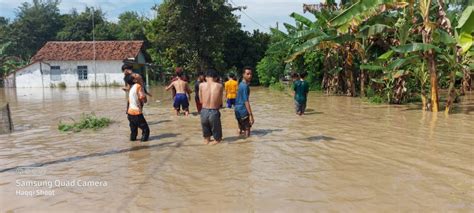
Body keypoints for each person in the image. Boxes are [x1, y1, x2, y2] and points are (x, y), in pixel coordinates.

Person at [199, 69, 224, 145]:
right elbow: (220, 102)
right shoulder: (219, 86)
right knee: (217, 140)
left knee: (206, 139)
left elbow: (200, 101)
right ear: (216, 78)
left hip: (204, 112)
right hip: (214, 112)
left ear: (206, 77)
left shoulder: (201, 85)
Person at [127, 74, 150, 142]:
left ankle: (133, 144)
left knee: (133, 132)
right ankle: (144, 146)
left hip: (130, 113)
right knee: (146, 130)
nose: (137, 74)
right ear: (135, 80)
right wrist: (145, 98)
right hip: (136, 113)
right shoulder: (138, 86)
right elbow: (143, 99)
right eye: (135, 75)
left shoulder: (132, 87)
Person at [234, 67, 254, 137]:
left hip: (237, 110)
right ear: (243, 75)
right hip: (243, 110)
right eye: (247, 74)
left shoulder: (240, 84)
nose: (250, 76)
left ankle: (240, 145)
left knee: (240, 128)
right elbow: (246, 101)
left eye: (251, 74)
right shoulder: (245, 86)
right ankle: (247, 145)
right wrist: (251, 115)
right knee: (247, 130)